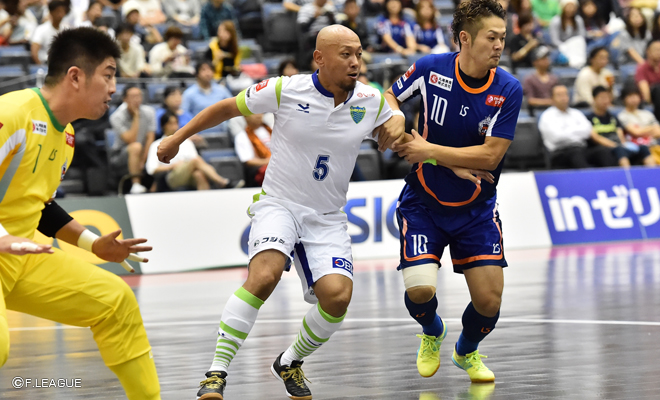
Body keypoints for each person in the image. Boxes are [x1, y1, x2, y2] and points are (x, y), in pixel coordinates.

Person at [160, 24, 478, 400]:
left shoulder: (369, 101)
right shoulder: (285, 89)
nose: (356, 62)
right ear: (319, 58)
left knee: (337, 299)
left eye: (358, 54)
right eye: (346, 54)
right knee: (264, 276)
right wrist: (177, 138)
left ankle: (289, 361)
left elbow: (404, 143)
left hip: (326, 217)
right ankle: (216, 373)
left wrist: (448, 161)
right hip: (279, 204)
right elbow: (227, 108)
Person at [0, 27, 160, 400]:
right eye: (108, 75)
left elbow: (40, 207)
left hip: (20, 257)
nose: (114, 88)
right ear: (75, 76)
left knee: (116, 302)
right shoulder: (12, 114)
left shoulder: (67, 138)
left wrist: (92, 244)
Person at [381, 0, 522, 384]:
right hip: (424, 202)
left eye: (503, 37)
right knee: (420, 290)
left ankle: (466, 351)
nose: (499, 45)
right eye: (492, 37)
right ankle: (432, 331)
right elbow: (389, 97)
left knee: (489, 302)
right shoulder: (430, 69)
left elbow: (490, 156)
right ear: (465, 38)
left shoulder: (508, 89)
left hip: (476, 208)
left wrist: (429, 151)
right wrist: (397, 118)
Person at [146, 112, 244, 191]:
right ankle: (222, 182)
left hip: (189, 172)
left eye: (176, 123)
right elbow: (151, 169)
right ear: (164, 126)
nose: (174, 126)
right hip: (170, 175)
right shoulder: (156, 144)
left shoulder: (187, 142)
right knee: (196, 161)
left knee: (198, 174)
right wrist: (172, 166)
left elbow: (196, 161)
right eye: (170, 123)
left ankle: (205, 203)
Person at [538, 85, 616, 168]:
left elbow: (587, 131)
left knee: (602, 151)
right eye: (559, 95)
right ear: (552, 98)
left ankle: (613, 175)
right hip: (559, 153)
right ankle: (587, 176)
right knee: (575, 153)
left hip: (582, 148)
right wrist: (577, 133)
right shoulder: (547, 116)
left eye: (565, 94)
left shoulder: (576, 113)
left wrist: (566, 131)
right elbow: (557, 137)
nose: (563, 98)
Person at [587, 86, 656, 167]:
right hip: (603, 149)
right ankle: (627, 174)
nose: (605, 101)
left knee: (643, 148)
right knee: (619, 150)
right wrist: (614, 145)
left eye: (607, 97)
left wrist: (623, 144)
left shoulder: (613, 117)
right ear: (594, 99)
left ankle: (654, 173)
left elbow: (620, 135)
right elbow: (596, 138)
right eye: (602, 98)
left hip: (618, 147)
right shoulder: (589, 118)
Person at [110, 85, 157, 194]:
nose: (137, 99)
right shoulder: (116, 116)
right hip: (120, 154)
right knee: (136, 147)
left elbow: (150, 137)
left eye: (139, 96)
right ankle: (136, 184)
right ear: (125, 99)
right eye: (133, 96)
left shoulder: (149, 112)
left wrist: (143, 160)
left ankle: (157, 188)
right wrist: (136, 116)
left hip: (143, 151)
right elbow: (131, 139)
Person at [181, 61, 233, 132]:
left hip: (223, 132)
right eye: (203, 70)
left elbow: (232, 107)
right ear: (197, 73)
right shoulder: (189, 93)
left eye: (210, 69)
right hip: (198, 133)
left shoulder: (222, 90)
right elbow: (184, 115)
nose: (207, 73)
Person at [617, 85, 660, 162]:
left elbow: (658, 132)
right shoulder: (622, 116)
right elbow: (636, 132)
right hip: (636, 149)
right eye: (630, 96)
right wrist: (651, 128)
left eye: (636, 95)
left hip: (654, 146)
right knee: (645, 150)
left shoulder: (648, 114)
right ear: (624, 99)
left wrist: (642, 131)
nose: (633, 98)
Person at [233, 113, 271, 186]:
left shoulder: (271, 130)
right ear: (246, 117)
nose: (258, 115)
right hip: (260, 170)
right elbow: (248, 161)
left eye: (260, 112)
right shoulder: (242, 136)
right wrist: (269, 161)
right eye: (254, 113)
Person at [30, 0, 69, 64]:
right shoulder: (41, 29)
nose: (60, 15)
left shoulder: (66, 29)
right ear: (51, 12)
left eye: (63, 11)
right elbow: (34, 52)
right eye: (58, 11)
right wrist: (41, 66)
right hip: (45, 63)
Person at [522, 46, 559, 114]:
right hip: (536, 111)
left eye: (546, 58)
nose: (546, 61)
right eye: (543, 59)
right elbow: (530, 100)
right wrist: (549, 102)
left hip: (554, 111)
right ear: (535, 62)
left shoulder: (554, 78)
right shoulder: (529, 79)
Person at [635, 40, 660, 120]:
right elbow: (645, 92)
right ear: (648, 51)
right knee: (658, 89)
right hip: (650, 99)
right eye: (656, 50)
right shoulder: (642, 68)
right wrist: (649, 103)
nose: (658, 52)